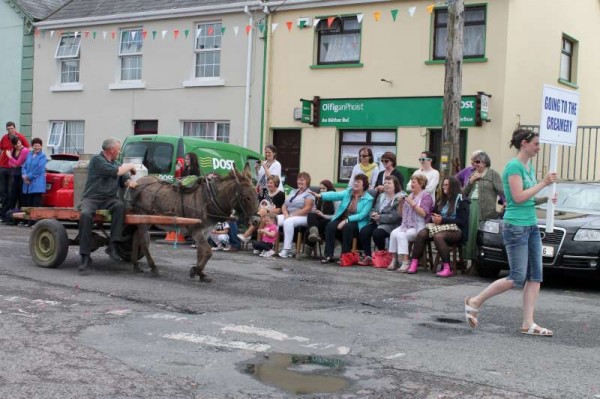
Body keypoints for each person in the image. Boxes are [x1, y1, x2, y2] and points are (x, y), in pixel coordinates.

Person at [464, 129, 557, 337]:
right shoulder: (513, 166)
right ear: (524, 143)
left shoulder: (528, 166)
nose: (539, 147)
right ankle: (475, 301)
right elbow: (517, 197)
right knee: (516, 277)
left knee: (536, 276)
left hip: (531, 225)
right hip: (515, 226)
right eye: (536, 143)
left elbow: (530, 196)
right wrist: (544, 184)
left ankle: (528, 323)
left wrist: (547, 197)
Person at [78, 138, 138, 274]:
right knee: (86, 215)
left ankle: (114, 245)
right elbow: (116, 172)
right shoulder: (97, 160)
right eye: (118, 149)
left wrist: (129, 182)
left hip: (109, 199)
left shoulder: (116, 163)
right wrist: (131, 165)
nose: (119, 151)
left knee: (119, 206)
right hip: (92, 198)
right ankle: (85, 256)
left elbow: (123, 179)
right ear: (111, 150)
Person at [408, 176, 468, 277]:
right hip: (439, 226)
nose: (444, 187)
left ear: (453, 186)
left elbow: (462, 221)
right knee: (422, 233)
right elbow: (433, 213)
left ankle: (447, 267)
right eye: (443, 185)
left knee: (438, 237)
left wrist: (442, 220)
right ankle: (414, 263)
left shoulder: (462, 200)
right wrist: (434, 217)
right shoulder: (442, 199)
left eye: (446, 185)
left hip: (456, 230)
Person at [316, 174, 374, 264]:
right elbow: (335, 195)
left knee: (348, 227)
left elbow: (362, 215)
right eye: (355, 181)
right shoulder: (348, 192)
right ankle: (328, 255)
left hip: (357, 221)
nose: (355, 183)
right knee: (330, 226)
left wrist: (346, 220)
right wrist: (321, 195)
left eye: (358, 182)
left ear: (364, 185)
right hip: (343, 218)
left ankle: (344, 256)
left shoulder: (368, 199)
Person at [462, 151, 505, 263]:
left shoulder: (492, 174)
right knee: (470, 235)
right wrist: (471, 181)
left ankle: (478, 263)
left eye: (478, 162)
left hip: (486, 209)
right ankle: (470, 261)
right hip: (472, 206)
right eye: (474, 162)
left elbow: (501, 191)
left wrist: (505, 202)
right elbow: (464, 193)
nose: (475, 164)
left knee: (480, 234)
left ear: (485, 163)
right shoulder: (473, 174)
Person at [388, 174, 434, 272]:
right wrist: (401, 204)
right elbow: (401, 215)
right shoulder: (410, 195)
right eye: (411, 182)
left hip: (419, 226)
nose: (411, 184)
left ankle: (405, 262)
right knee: (393, 233)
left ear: (421, 184)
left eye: (413, 182)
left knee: (401, 235)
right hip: (406, 224)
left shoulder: (426, 196)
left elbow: (423, 213)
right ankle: (394, 260)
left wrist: (412, 203)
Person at [358, 175, 403, 265]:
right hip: (377, 222)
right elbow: (374, 209)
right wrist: (373, 214)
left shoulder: (399, 198)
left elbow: (396, 216)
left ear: (395, 185)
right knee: (364, 231)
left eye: (389, 183)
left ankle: (382, 254)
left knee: (377, 233)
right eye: (385, 183)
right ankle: (368, 256)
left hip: (391, 224)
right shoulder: (381, 196)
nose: (386, 185)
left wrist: (380, 217)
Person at [277, 172, 315, 258]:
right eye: (298, 179)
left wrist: (291, 215)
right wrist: (286, 214)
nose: (299, 181)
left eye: (302, 180)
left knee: (288, 222)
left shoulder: (310, 193)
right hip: (290, 214)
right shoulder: (294, 191)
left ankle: (287, 250)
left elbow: (307, 209)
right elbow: (284, 205)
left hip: (304, 217)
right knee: (274, 219)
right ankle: (268, 246)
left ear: (307, 181)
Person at [238, 175, 285, 243]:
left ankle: (247, 235)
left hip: (273, 214)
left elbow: (279, 210)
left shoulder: (280, 194)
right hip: (261, 214)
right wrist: (262, 210)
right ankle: (259, 243)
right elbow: (260, 205)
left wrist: (267, 209)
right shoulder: (264, 192)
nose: (269, 184)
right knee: (262, 219)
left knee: (262, 213)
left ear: (276, 183)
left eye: (271, 183)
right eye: (268, 182)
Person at [301, 179, 337, 259]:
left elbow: (336, 215)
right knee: (311, 214)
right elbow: (315, 209)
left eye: (324, 188)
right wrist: (315, 211)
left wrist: (324, 215)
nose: (322, 191)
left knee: (313, 227)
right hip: (320, 218)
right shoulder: (319, 197)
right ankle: (314, 233)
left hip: (330, 220)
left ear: (329, 189)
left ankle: (307, 252)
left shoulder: (335, 198)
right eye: (320, 189)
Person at [0, 122, 30, 215]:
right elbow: (1, 149)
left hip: (13, 169)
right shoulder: (4, 138)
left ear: (15, 128)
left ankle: (10, 213)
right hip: (3, 166)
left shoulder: (20, 137)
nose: (10, 130)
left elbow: (27, 148)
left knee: (11, 192)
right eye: (8, 129)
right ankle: (4, 213)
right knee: (3, 191)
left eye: (12, 128)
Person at [21, 138, 47, 225]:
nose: (36, 147)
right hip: (28, 183)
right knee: (29, 202)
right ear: (32, 146)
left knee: (36, 204)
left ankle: (35, 221)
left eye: (38, 146)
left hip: (37, 183)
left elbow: (39, 169)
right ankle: (29, 220)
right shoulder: (29, 154)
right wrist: (24, 175)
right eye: (35, 145)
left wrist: (28, 177)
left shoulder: (43, 156)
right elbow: (24, 166)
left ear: (41, 146)